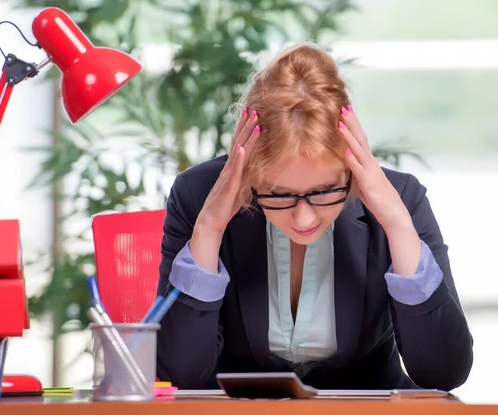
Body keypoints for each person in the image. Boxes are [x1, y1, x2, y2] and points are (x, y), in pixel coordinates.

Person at [155, 43, 473, 391]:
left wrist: (397, 225)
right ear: (250, 174)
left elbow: (444, 374)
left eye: (324, 191)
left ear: (349, 165)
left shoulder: (401, 199)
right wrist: (209, 228)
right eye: (278, 193)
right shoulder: (197, 195)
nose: (304, 217)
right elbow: (179, 373)